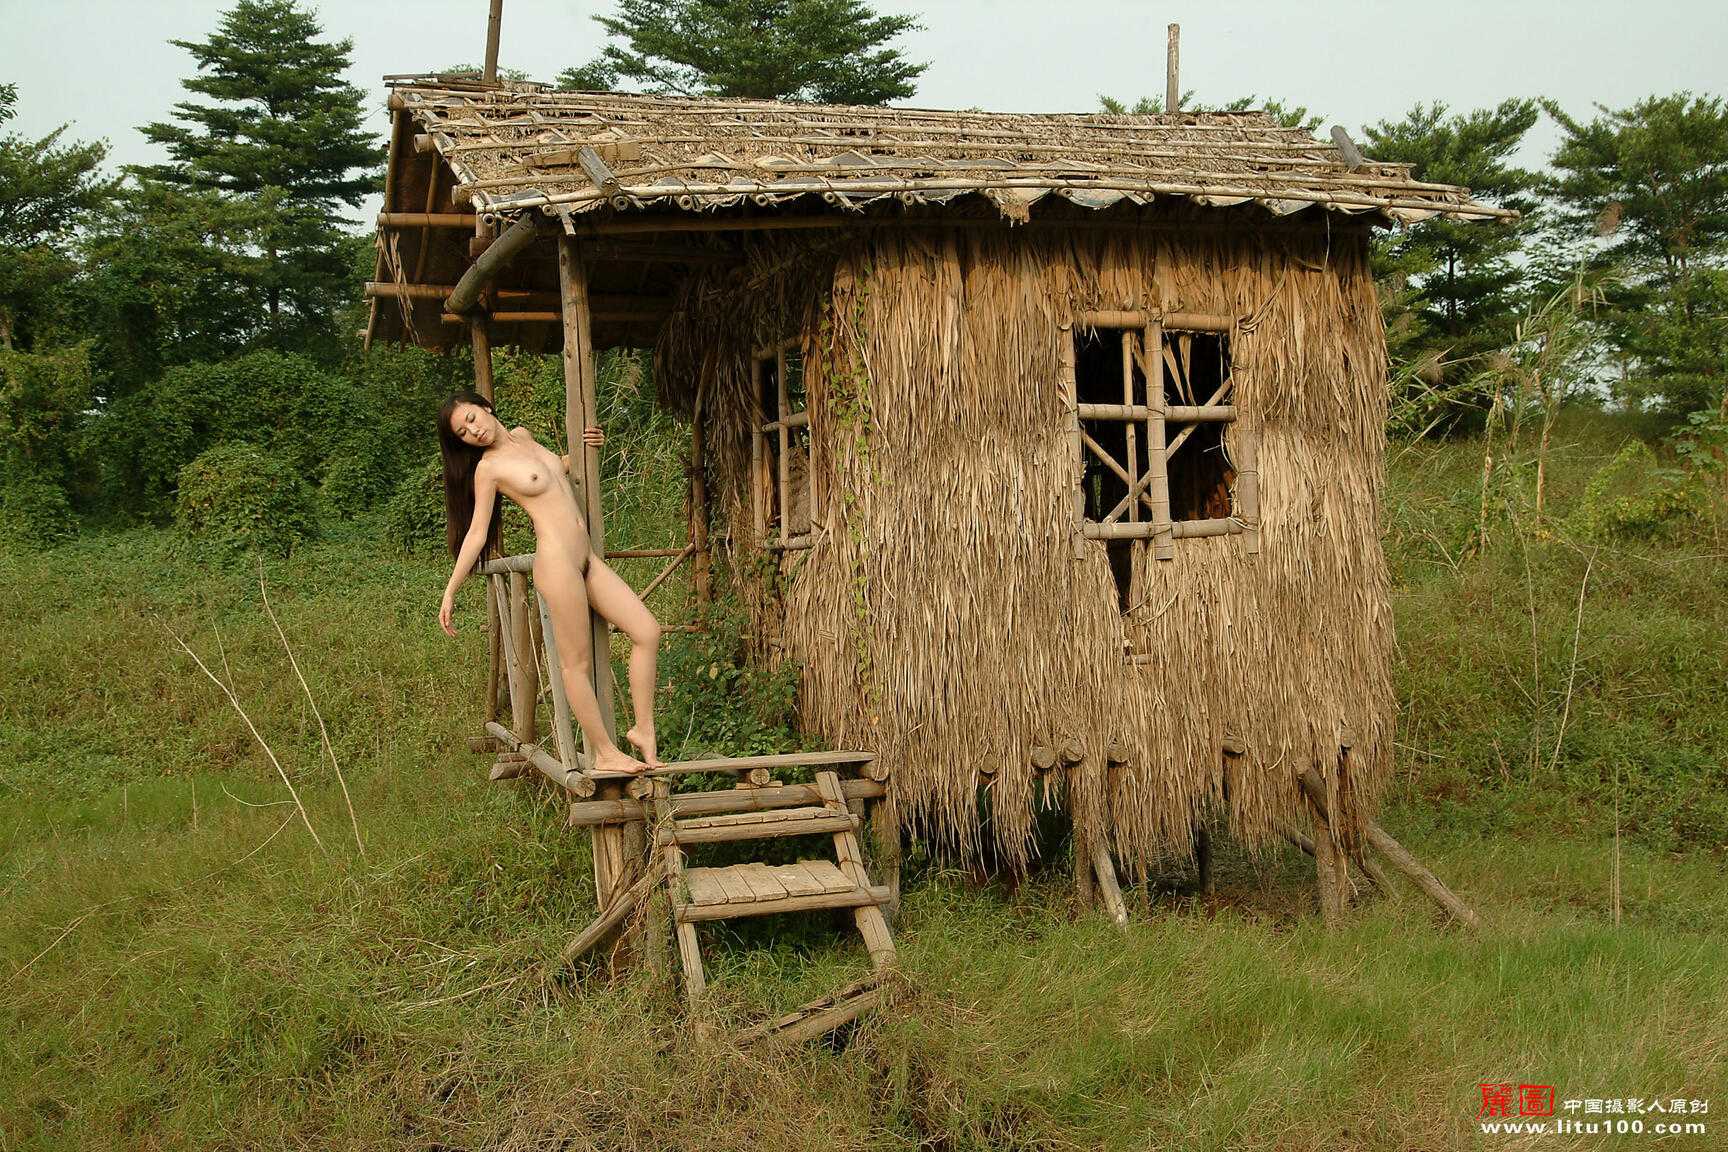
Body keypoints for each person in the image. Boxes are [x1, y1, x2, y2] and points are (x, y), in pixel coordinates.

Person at [436, 390, 661, 776]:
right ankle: (605, 753)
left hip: (586, 558)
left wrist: (588, 447)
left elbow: (561, 469)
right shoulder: (488, 469)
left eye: (471, 419)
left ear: (485, 408)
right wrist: (451, 589)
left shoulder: (523, 436)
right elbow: (477, 533)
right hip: (557, 564)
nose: (473, 431)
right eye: (462, 433)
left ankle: (642, 729)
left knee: (648, 631)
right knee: (576, 664)